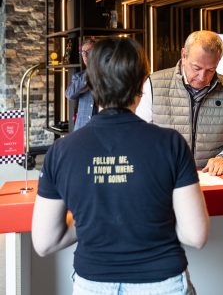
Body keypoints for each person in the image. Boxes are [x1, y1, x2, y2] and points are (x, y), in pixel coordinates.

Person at [32, 38, 209, 295]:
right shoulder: (171, 144)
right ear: (141, 83)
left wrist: (92, 219)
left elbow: (45, 241)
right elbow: (195, 235)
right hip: (162, 282)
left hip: (92, 284)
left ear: (91, 84)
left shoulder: (61, 151)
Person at [136, 30, 223, 176]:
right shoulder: (153, 85)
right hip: (165, 178)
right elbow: (138, 135)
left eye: (210, 70)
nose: (202, 77)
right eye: (196, 68)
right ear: (184, 55)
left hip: (213, 178)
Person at [65, 38, 96, 131]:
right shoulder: (79, 76)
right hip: (82, 127)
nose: (85, 56)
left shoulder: (108, 75)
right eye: (83, 53)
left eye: (89, 52)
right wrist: (89, 71)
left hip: (100, 127)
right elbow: (69, 94)